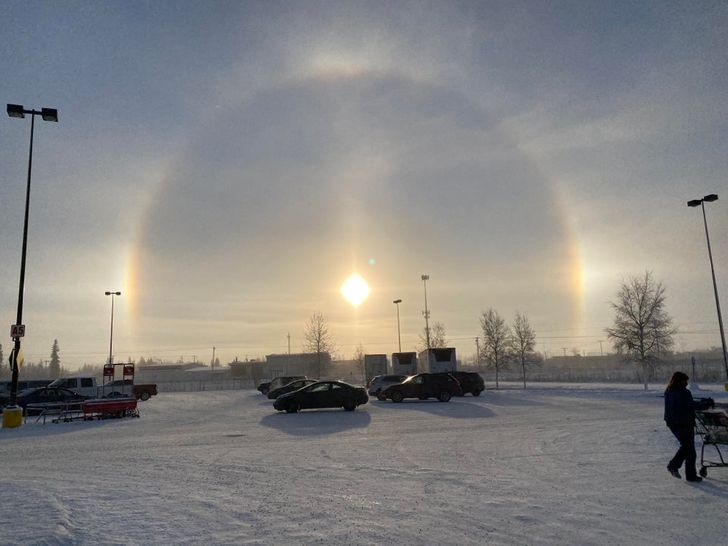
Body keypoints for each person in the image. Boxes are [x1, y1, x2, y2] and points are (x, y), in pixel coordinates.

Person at [664, 371, 714, 482]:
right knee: (689, 450)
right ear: (680, 381)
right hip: (684, 423)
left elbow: (687, 403)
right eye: (685, 380)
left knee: (687, 448)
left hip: (673, 423)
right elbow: (691, 405)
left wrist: (701, 402)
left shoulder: (669, 391)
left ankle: (685, 472)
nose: (687, 383)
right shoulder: (683, 392)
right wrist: (707, 404)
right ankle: (676, 467)